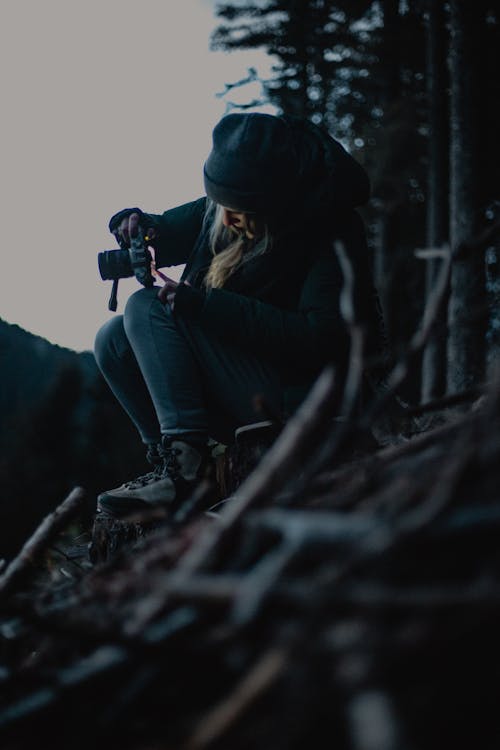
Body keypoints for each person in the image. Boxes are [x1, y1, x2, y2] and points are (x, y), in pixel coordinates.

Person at [94, 112, 382, 517]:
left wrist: (209, 308)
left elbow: (322, 338)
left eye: (238, 210)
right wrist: (138, 226)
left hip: (297, 402)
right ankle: (170, 462)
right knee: (113, 341)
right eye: (220, 203)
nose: (224, 218)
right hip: (244, 389)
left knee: (145, 307)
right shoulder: (228, 202)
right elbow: (173, 229)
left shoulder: (330, 231)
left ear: (272, 202)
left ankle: (186, 474)